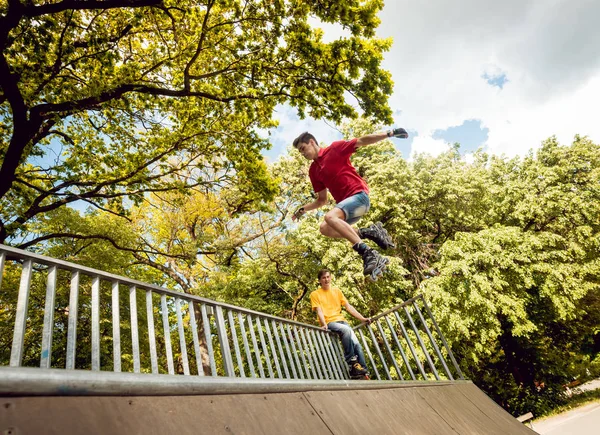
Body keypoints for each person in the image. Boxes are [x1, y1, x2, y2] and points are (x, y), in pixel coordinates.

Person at [291, 128, 408, 279]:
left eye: (303, 148)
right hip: (349, 210)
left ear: (312, 142)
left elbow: (362, 141)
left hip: (360, 197)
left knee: (330, 217)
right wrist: (303, 209)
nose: (303, 153)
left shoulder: (335, 149)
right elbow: (322, 200)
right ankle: (368, 232)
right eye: (300, 152)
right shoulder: (313, 171)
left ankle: (368, 253)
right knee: (324, 229)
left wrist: (389, 134)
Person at [310, 268, 371, 379]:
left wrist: (362, 318)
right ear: (319, 280)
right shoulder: (315, 294)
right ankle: (351, 362)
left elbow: (348, 307)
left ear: (331, 277)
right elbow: (319, 310)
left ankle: (363, 371)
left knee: (356, 344)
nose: (326, 279)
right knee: (346, 330)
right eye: (323, 278)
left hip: (342, 321)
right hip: (329, 322)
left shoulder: (337, 291)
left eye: (328, 277)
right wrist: (324, 324)